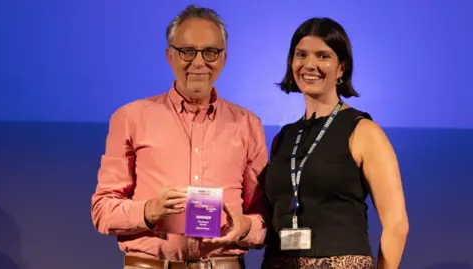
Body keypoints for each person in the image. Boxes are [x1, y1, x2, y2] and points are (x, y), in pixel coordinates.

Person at [91, 5, 268, 269]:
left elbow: (264, 215)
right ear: (170, 56)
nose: (199, 62)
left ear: (223, 59)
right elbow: (102, 210)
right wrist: (149, 211)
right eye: (187, 51)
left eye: (210, 52)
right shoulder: (130, 117)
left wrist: (246, 227)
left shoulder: (248, 124)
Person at [261, 17, 409, 269]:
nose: (310, 65)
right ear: (291, 62)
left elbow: (396, 224)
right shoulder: (283, 138)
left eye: (323, 56)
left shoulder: (363, 131)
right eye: (301, 55)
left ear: (341, 68)